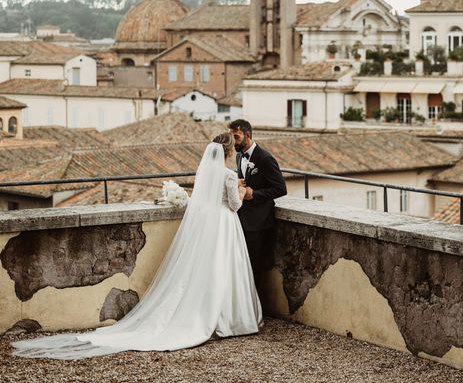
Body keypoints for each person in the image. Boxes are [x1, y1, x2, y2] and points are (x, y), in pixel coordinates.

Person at [12, 133, 261, 360]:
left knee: (204, 268)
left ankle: (211, 313)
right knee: (224, 267)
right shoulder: (228, 175)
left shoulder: (206, 173)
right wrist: (240, 190)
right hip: (224, 224)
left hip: (207, 222)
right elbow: (235, 206)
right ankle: (228, 317)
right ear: (229, 153)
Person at [228, 119, 287, 297]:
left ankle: (255, 310)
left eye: (236, 137)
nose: (234, 142)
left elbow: (280, 188)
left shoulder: (266, 158)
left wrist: (254, 195)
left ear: (248, 135)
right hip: (241, 219)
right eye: (232, 137)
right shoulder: (239, 156)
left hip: (259, 223)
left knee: (254, 267)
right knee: (241, 266)